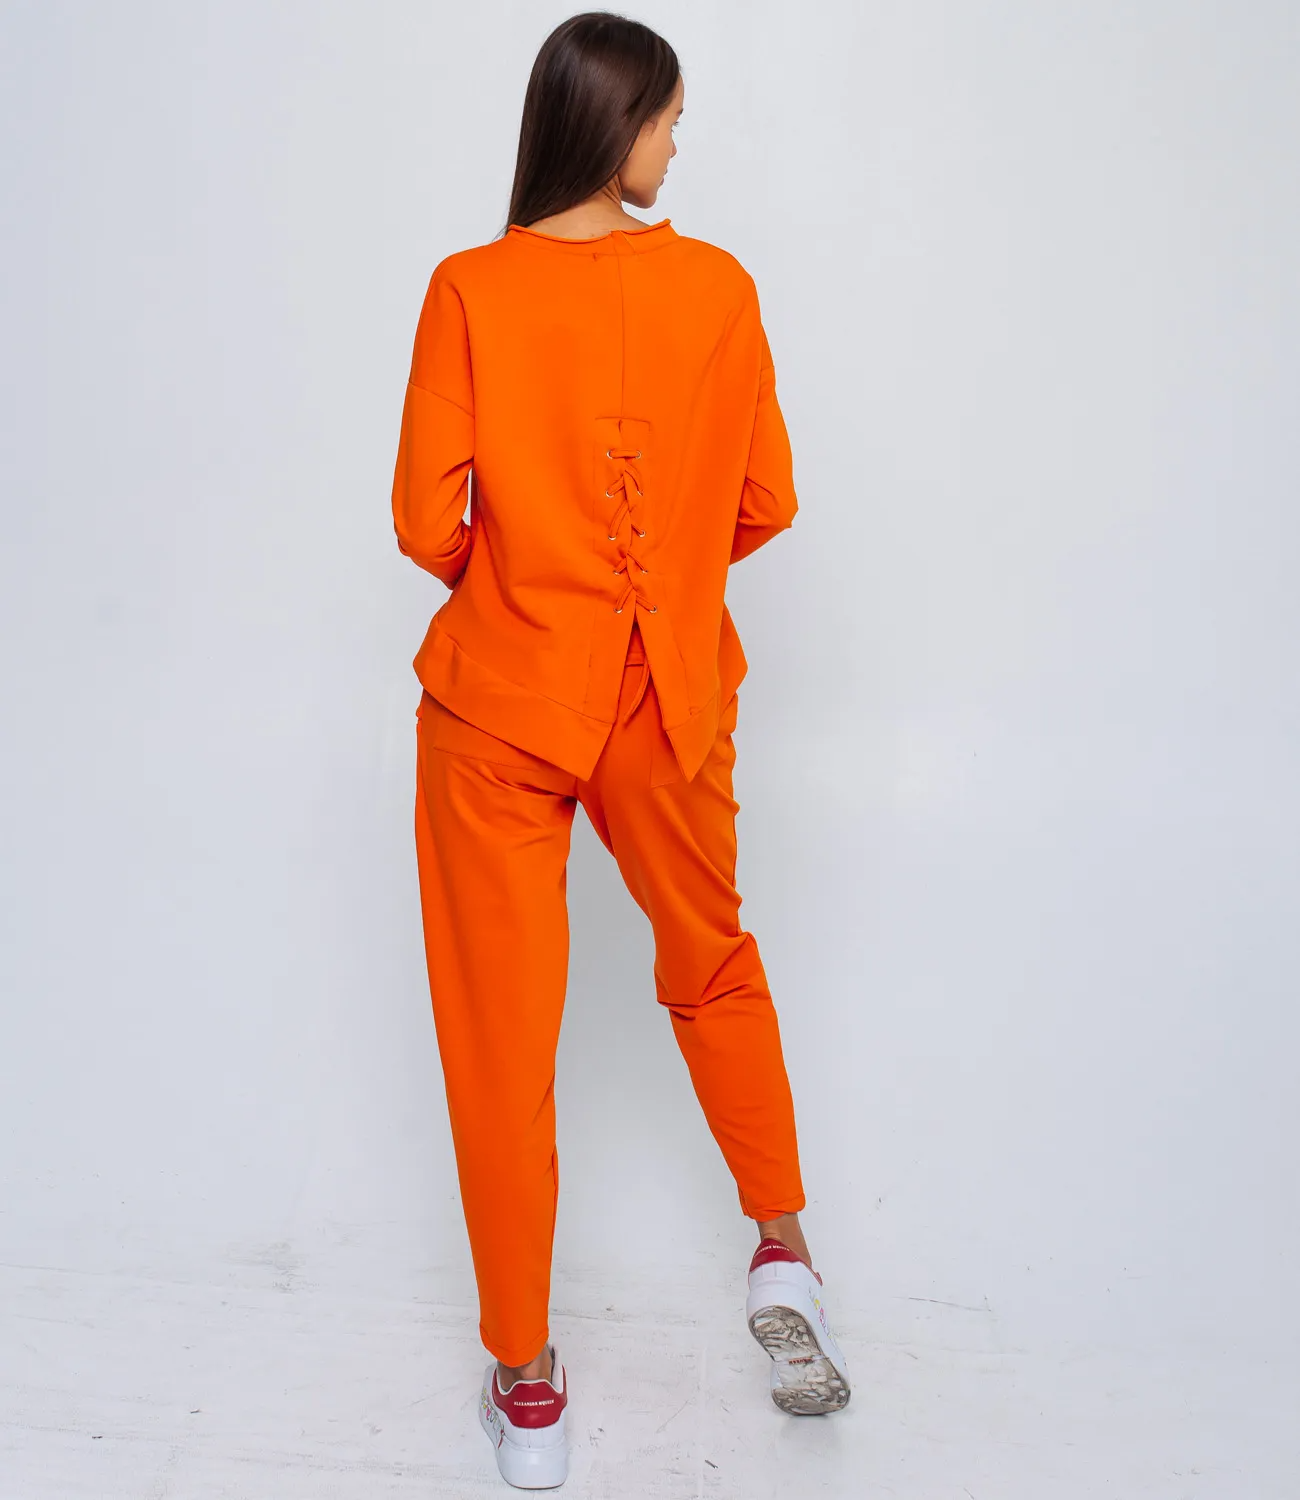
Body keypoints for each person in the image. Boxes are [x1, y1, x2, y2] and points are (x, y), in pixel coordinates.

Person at [390, 13, 850, 1489]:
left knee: (500, 1041)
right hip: (669, 698)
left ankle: (528, 1385)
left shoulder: (470, 287)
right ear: (616, 124)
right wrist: (665, 580)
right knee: (712, 958)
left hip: (501, 706)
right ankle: (783, 1251)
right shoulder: (718, 287)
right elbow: (765, 499)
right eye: (667, 120)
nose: (675, 145)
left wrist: (527, 577)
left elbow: (423, 522)